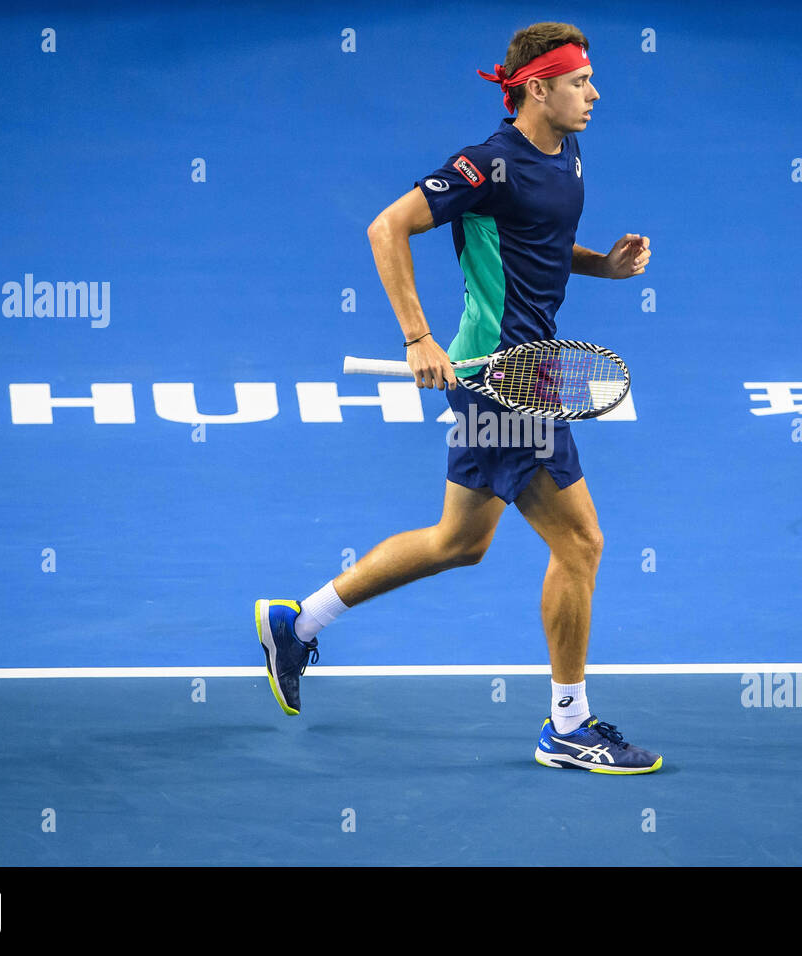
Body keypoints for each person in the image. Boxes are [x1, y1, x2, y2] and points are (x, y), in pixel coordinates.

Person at [256, 22, 660, 773]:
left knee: (459, 543)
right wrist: (418, 338)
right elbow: (388, 227)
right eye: (580, 82)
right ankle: (567, 725)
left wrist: (600, 267)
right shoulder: (488, 166)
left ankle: (298, 621)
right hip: (505, 381)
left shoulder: (567, 152)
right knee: (580, 543)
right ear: (537, 88)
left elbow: (533, 243)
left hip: (522, 375)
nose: (594, 94)